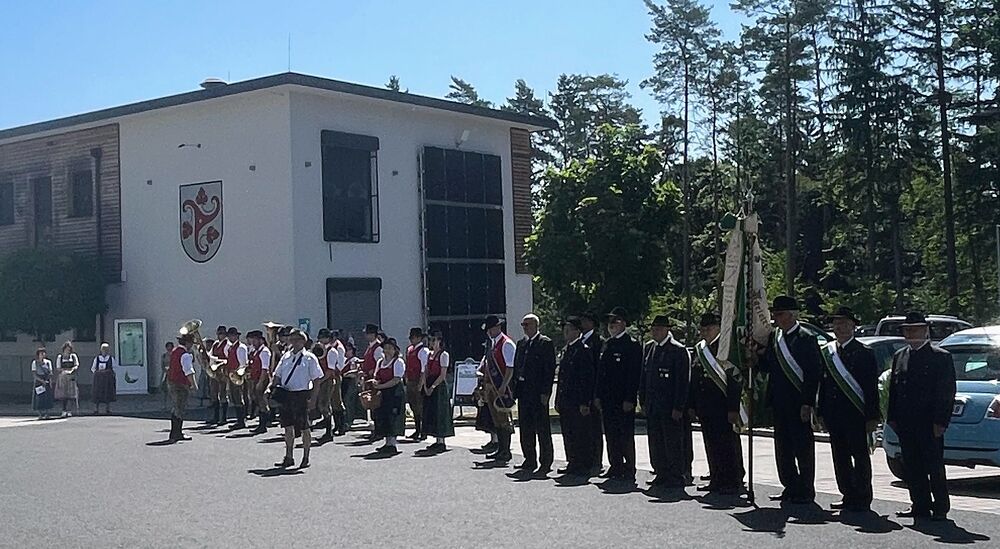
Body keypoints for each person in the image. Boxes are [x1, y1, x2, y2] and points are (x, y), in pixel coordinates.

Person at [888, 311, 956, 521]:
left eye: (915, 329)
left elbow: (946, 392)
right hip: (905, 421)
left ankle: (940, 507)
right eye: (907, 330)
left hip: (929, 422)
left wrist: (940, 421)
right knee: (912, 465)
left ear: (925, 331)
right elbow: (894, 390)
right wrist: (892, 417)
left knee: (934, 466)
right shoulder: (900, 355)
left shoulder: (940, 357)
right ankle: (920, 504)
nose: (911, 334)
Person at [756, 296, 822, 504]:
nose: (776, 318)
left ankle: (806, 489)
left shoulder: (806, 338)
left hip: (798, 401)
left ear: (792, 315)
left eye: (780, 314)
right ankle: (790, 486)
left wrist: (807, 403)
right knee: (783, 448)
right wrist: (754, 357)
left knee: (802, 447)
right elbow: (768, 366)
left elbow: (813, 373)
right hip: (779, 401)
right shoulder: (775, 337)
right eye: (775, 314)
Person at [817, 306, 880, 512]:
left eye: (844, 323)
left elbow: (871, 387)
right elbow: (823, 385)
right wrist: (821, 412)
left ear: (853, 326)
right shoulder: (828, 352)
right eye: (837, 323)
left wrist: (872, 417)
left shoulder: (864, 353)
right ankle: (847, 494)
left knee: (860, 457)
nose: (840, 327)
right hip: (834, 414)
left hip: (856, 414)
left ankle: (862, 497)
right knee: (840, 457)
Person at [689, 312, 744, 495]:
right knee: (711, 444)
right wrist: (692, 405)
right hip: (705, 406)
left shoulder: (726, 349)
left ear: (718, 328)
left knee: (728, 444)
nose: (705, 332)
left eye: (709, 328)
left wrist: (733, 408)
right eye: (703, 329)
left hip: (723, 406)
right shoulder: (701, 349)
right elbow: (695, 379)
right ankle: (717, 477)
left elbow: (734, 380)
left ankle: (733, 479)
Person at [639, 315, 690, 489]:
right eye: (653, 329)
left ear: (667, 330)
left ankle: (676, 475)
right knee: (656, 442)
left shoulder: (677, 350)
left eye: (659, 329)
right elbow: (645, 377)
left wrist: (678, 406)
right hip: (653, 404)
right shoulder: (650, 348)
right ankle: (661, 472)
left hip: (669, 406)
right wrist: (643, 400)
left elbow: (682, 382)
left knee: (672, 442)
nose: (655, 332)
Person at [596, 307, 643, 483]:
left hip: (623, 399)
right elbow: (602, 373)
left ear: (623, 323)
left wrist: (630, 398)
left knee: (625, 435)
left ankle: (629, 468)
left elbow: (634, 375)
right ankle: (615, 465)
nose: (611, 325)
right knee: (611, 434)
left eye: (615, 321)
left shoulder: (632, 345)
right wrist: (598, 395)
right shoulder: (608, 344)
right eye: (609, 322)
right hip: (608, 398)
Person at [266, 329, 323, 469]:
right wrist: (270, 388)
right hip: (286, 394)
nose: (294, 342)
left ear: (303, 341)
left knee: (304, 427)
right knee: (287, 427)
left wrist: (313, 399)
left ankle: (306, 456)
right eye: (292, 339)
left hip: (301, 394)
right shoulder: (286, 356)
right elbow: (277, 375)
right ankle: (289, 456)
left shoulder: (309, 358)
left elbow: (316, 380)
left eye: (297, 339)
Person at [513, 313, 557, 476]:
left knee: (542, 429)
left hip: (538, 392)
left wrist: (546, 392)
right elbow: (517, 366)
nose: (525, 328)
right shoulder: (521, 344)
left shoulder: (545, 343)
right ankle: (529, 459)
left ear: (536, 325)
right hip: (524, 391)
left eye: (527, 325)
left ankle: (546, 462)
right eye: (523, 325)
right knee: (526, 428)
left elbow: (549, 369)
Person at [555, 316, 596, 476]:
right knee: (568, 432)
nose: (566, 332)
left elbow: (587, 379)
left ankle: (583, 463)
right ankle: (572, 461)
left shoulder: (583, 350)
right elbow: (562, 378)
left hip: (577, 400)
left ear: (578, 331)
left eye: (569, 329)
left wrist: (585, 402)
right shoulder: (567, 350)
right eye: (565, 329)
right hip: (566, 399)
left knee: (580, 433)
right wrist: (558, 399)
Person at [481, 315, 517, 463]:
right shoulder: (492, 344)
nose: (489, 332)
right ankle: (500, 448)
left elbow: (510, 368)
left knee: (503, 420)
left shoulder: (506, 344)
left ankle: (506, 451)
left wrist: (503, 386)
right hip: (492, 387)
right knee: (496, 420)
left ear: (497, 327)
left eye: (491, 329)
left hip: (502, 387)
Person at [580, 311, 605, 475]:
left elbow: (598, 369)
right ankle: (584, 459)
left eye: (585, 320)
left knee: (595, 428)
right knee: (583, 428)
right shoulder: (580, 340)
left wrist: (596, 394)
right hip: (581, 391)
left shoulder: (598, 341)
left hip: (593, 389)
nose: (582, 323)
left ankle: (596, 460)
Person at [371, 338, 406, 455]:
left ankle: (393, 444)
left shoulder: (398, 362)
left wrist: (381, 386)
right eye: (385, 348)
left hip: (395, 393)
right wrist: (375, 382)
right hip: (384, 393)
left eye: (390, 348)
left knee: (393, 416)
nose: (387, 351)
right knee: (384, 416)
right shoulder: (380, 362)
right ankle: (387, 443)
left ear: (395, 350)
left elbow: (396, 380)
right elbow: (377, 376)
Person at [421, 331, 455, 452]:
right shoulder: (428, 354)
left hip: (439, 386)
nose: (432, 343)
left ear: (440, 341)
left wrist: (433, 387)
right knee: (431, 412)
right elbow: (425, 371)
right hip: (429, 382)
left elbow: (442, 374)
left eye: (434, 340)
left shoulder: (444, 355)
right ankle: (436, 439)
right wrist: (425, 386)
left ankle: (441, 441)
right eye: (430, 340)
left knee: (440, 412)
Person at [166, 334, 198, 441]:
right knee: (180, 408)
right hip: (180, 384)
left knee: (176, 407)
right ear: (188, 343)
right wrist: (193, 385)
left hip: (172, 382)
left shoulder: (175, 351)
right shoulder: (185, 355)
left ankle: (174, 432)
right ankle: (177, 433)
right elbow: (189, 371)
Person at [404, 327, 430, 441]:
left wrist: (421, 384)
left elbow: (424, 369)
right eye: (411, 337)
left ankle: (424, 431)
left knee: (421, 406)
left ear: (419, 338)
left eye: (414, 337)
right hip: (411, 380)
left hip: (418, 380)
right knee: (413, 406)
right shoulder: (409, 349)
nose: (412, 339)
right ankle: (417, 429)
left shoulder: (423, 351)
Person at [314, 328, 339, 442]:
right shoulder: (319, 349)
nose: (321, 340)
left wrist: (320, 381)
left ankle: (329, 432)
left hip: (327, 381)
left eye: (324, 338)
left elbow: (330, 370)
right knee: (321, 405)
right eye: (320, 338)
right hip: (321, 380)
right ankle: (328, 430)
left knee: (325, 405)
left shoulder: (331, 351)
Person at [247, 330, 272, 434]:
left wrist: (260, 383)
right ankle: (262, 424)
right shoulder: (256, 351)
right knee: (258, 400)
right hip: (255, 378)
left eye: (255, 340)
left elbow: (265, 369)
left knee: (262, 402)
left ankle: (263, 425)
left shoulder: (264, 352)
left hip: (261, 379)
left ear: (260, 340)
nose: (253, 342)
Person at [224, 327, 249, 430]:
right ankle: (239, 419)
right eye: (229, 336)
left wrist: (238, 375)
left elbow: (243, 363)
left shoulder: (241, 347)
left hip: (237, 375)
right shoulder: (230, 347)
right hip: (232, 375)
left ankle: (241, 420)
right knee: (234, 398)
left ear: (236, 336)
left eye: (232, 335)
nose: (230, 337)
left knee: (239, 397)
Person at [207, 325, 229, 425]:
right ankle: (215, 417)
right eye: (219, 333)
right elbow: (210, 355)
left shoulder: (227, 344)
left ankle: (223, 418)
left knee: (223, 394)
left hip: (223, 371)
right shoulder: (215, 344)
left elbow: (227, 358)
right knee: (214, 394)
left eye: (223, 333)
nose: (221, 335)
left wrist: (217, 361)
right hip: (215, 371)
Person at [53, 341, 80, 418]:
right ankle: (64, 410)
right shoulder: (60, 357)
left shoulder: (73, 356)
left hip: (71, 376)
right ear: (64, 349)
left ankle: (69, 410)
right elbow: (58, 368)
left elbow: (76, 365)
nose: (68, 351)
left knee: (71, 394)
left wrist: (72, 370)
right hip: (63, 377)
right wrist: (64, 371)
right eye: (66, 349)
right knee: (63, 394)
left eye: (69, 349)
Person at [341, 341, 363, 429]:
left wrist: (347, 373)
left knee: (349, 401)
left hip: (351, 382)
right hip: (345, 382)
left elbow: (356, 371)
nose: (347, 352)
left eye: (349, 350)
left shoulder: (354, 360)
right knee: (345, 401)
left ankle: (349, 420)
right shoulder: (345, 360)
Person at [91, 342, 117, 414]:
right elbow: (93, 368)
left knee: (107, 393)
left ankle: (107, 409)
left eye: (106, 349)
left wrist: (110, 374)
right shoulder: (97, 358)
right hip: (99, 379)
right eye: (103, 349)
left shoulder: (111, 359)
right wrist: (98, 373)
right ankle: (96, 409)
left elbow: (114, 368)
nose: (104, 351)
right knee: (97, 393)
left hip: (107, 379)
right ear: (101, 350)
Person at [31, 348, 55, 419]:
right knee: (39, 398)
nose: (43, 355)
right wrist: (41, 381)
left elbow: (50, 372)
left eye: (44, 353)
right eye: (41, 353)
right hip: (39, 381)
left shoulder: (48, 362)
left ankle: (47, 413)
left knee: (47, 397)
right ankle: (40, 414)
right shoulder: (35, 363)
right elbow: (34, 374)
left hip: (46, 380)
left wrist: (49, 380)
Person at [160, 341, 174, 411]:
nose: (169, 348)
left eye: (170, 346)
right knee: (164, 390)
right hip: (165, 374)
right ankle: (164, 405)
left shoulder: (174, 355)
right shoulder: (164, 355)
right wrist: (165, 371)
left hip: (172, 374)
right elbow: (162, 365)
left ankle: (173, 405)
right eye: (168, 346)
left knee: (172, 391)